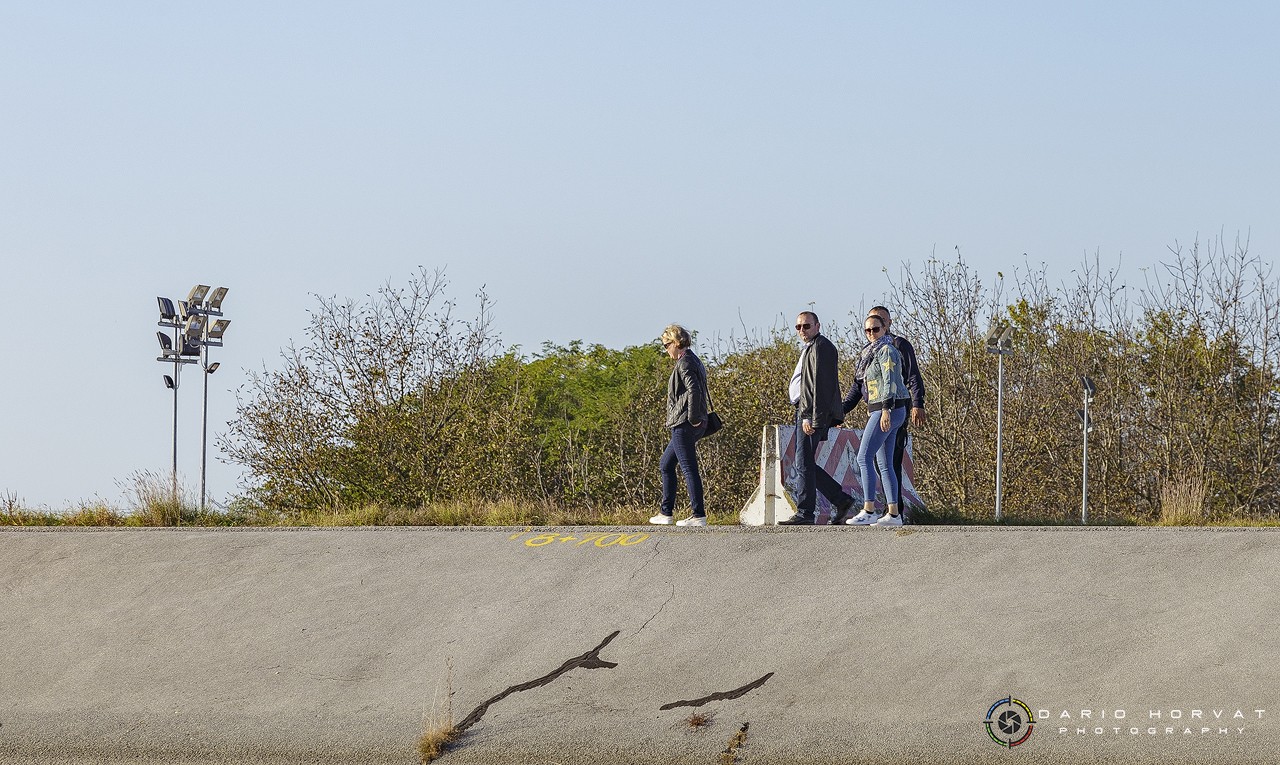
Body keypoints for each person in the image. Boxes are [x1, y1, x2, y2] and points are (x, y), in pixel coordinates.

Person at [779, 311, 857, 525]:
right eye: (798, 327)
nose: (802, 330)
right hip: (806, 411)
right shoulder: (811, 347)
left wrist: (809, 417)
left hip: (810, 413)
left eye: (806, 326)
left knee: (803, 461)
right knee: (803, 462)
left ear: (817, 326)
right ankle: (840, 499)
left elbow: (819, 387)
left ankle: (806, 513)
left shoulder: (821, 347)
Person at [841, 314, 910, 526]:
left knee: (864, 457)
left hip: (887, 408)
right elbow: (860, 386)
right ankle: (894, 514)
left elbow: (889, 381)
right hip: (883, 409)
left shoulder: (887, 350)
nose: (872, 334)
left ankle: (869, 509)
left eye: (876, 329)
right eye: (868, 330)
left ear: (885, 329)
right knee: (885, 463)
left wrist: (886, 409)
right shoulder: (871, 353)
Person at [868, 305, 926, 520]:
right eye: (870, 325)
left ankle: (895, 510)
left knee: (891, 459)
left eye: (880, 322)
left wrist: (918, 403)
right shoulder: (871, 351)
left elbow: (912, 375)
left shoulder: (898, 345)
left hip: (897, 407)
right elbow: (860, 385)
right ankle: (890, 509)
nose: (874, 330)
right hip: (876, 409)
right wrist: (842, 410)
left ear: (888, 324)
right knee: (878, 460)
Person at [650, 324, 710, 527]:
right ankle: (665, 512)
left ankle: (698, 514)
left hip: (685, 422)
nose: (666, 349)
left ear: (677, 343)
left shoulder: (684, 363)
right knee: (666, 464)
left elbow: (694, 390)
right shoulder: (693, 359)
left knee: (688, 467)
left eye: (667, 345)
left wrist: (692, 418)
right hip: (689, 421)